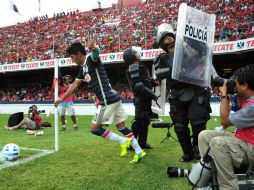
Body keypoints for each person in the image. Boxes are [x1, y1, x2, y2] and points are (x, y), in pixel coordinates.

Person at [54, 41, 146, 163]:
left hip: (107, 100)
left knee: (95, 129)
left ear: (78, 54)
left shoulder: (90, 60)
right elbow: (75, 84)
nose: (72, 60)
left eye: (72, 57)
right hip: (114, 98)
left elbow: (96, 54)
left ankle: (123, 141)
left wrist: (95, 48)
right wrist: (62, 98)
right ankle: (139, 151)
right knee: (121, 126)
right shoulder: (83, 69)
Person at [154, 23, 211, 162]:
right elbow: (158, 73)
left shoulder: (189, 51)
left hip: (195, 90)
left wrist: (190, 39)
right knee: (179, 127)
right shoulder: (161, 58)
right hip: (177, 93)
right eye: (165, 38)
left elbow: (204, 50)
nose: (168, 40)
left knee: (198, 122)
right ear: (162, 43)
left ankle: (198, 149)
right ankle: (187, 152)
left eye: (170, 37)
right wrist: (173, 69)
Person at [198, 64, 254, 190]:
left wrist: (224, 95)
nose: (234, 84)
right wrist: (230, 93)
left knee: (218, 143)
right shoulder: (246, 98)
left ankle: (228, 186)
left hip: (251, 147)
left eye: (236, 82)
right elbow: (230, 110)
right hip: (242, 140)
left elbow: (224, 121)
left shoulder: (252, 106)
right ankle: (210, 174)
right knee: (204, 135)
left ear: (245, 85)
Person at [123, 46, 158, 149]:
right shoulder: (134, 67)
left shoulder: (139, 67)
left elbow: (144, 82)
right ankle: (132, 145)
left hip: (145, 99)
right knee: (138, 123)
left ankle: (142, 143)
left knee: (145, 122)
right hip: (141, 100)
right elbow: (139, 86)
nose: (139, 54)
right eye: (136, 53)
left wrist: (153, 82)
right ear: (133, 57)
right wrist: (153, 95)